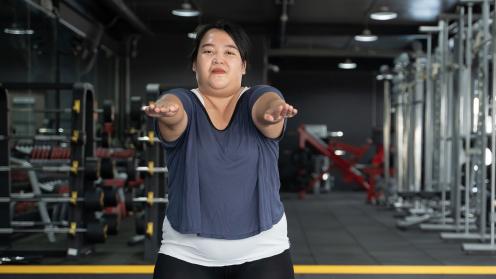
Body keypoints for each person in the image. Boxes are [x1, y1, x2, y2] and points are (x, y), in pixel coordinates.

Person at [145, 20, 298, 279]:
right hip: (186, 252)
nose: (218, 58)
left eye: (229, 52)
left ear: (244, 65)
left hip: (264, 251)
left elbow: (267, 106)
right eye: (208, 51)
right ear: (195, 63)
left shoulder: (257, 97)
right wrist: (166, 111)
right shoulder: (184, 101)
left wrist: (274, 112)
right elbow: (174, 110)